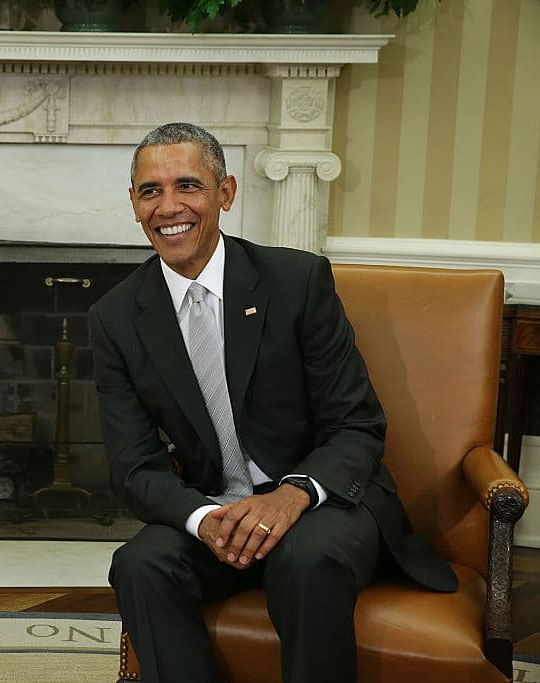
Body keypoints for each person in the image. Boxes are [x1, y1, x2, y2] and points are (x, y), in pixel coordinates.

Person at [88, 123, 457, 683]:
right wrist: (204, 519)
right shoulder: (115, 318)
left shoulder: (296, 281)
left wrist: (291, 496)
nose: (168, 207)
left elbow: (357, 425)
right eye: (150, 192)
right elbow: (134, 466)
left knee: (305, 558)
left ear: (226, 193)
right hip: (220, 512)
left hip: (322, 505)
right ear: (134, 205)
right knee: (139, 564)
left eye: (188, 186)